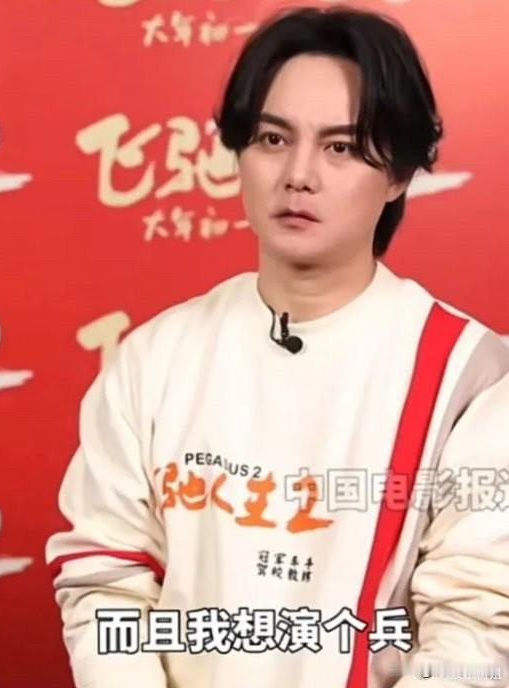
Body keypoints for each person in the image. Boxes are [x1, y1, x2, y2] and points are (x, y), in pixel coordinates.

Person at [45, 5, 509, 687]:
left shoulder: (471, 377)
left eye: (340, 147)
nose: (298, 174)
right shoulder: (155, 358)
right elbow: (105, 578)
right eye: (271, 138)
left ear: (399, 174)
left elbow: (475, 626)